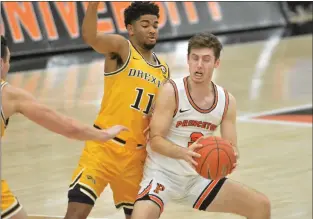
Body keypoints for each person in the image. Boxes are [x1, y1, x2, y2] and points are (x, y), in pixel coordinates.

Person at [131, 32, 271, 219]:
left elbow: (231, 147)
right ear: (188, 60)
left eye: (206, 59)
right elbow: (155, 141)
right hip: (161, 176)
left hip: (198, 179)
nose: (199, 65)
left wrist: (230, 158)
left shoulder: (226, 101)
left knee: (260, 206)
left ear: (216, 63)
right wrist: (184, 153)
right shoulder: (172, 91)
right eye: (195, 58)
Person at [0, 35, 127, 219]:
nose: (9, 67)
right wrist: (103, 134)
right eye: (9, 61)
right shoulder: (8, 95)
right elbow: (68, 127)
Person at [64, 2, 170, 219]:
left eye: (155, 25)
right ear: (131, 29)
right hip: (104, 147)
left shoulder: (163, 69)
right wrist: (93, 6)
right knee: (76, 213)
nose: (152, 29)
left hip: (137, 157)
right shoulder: (122, 49)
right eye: (145, 24)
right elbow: (91, 37)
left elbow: (163, 115)